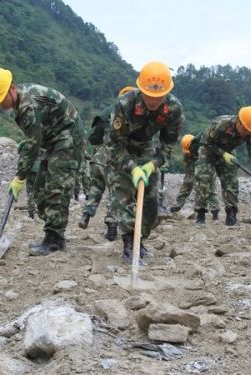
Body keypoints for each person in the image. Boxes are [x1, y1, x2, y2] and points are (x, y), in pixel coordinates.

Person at [0, 67, 85, 255]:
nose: (0, 103)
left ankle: (54, 239)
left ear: (12, 88)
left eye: (2, 97)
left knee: (56, 188)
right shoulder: (21, 101)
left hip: (68, 139)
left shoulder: (28, 105)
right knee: (38, 190)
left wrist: (20, 177)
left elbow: (32, 145)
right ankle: (54, 232)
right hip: (52, 140)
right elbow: (33, 139)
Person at [107, 61, 184, 263]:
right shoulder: (125, 104)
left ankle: (140, 240)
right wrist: (132, 168)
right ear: (140, 89)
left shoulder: (174, 109)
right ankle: (129, 245)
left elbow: (167, 145)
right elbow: (115, 145)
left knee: (150, 203)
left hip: (147, 147)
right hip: (122, 147)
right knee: (124, 196)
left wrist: (152, 165)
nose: (152, 100)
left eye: (158, 97)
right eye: (148, 95)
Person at [194, 106, 251, 225]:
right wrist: (222, 154)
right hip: (208, 151)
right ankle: (200, 214)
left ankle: (231, 216)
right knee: (204, 179)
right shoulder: (221, 124)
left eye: (249, 130)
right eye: (245, 129)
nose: (246, 133)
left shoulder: (250, 131)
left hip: (228, 152)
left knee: (231, 181)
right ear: (239, 121)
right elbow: (205, 142)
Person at [78, 86, 135, 240]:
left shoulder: (105, 113)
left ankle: (86, 215)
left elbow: (93, 137)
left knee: (95, 189)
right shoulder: (134, 115)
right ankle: (111, 226)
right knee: (114, 194)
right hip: (115, 162)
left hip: (98, 160)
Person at [170, 134, 220, 220]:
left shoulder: (205, 150)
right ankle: (177, 206)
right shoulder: (188, 155)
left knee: (210, 190)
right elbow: (189, 175)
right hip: (196, 169)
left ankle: (215, 212)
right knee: (187, 185)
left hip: (209, 169)